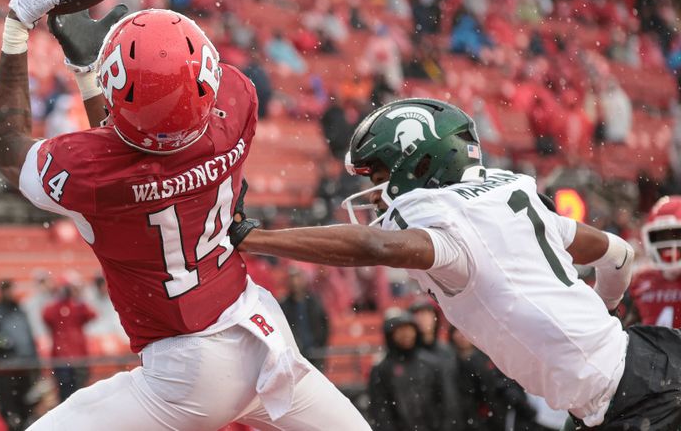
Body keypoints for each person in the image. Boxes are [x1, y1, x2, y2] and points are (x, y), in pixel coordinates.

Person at [0, 0, 369, 430]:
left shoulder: (90, 170)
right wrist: (91, 70)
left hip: (185, 376)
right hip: (263, 336)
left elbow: (14, 148)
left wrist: (19, 22)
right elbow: (150, 147)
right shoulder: (236, 104)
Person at [230, 97, 681, 429]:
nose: (377, 189)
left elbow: (377, 248)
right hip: (635, 371)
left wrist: (255, 237)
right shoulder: (504, 196)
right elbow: (618, 254)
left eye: (381, 174)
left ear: (422, 162)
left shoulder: (448, 228)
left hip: (634, 396)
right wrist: (604, 309)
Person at [367, 309, 459, 431]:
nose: (406, 334)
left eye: (409, 329)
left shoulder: (431, 364)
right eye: (400, 330)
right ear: (391, 334)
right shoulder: (381, 369)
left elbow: (448, 403)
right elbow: (380, 411)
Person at [0, 279, 39, 431]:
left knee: (26, 409)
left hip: (24, 368)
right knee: (8, 411)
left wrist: (34, 361)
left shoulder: (20, 310)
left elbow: (29, 337)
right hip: (5, 371)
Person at [42, 275, 96, 401]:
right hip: (67, 357)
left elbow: (92, 314)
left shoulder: (75, 307)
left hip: (71, 356)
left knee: (74, 392)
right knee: (70, 393)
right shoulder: (64, 308)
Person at [630, 196, 681, 327]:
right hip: (651, 347)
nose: (670, 246)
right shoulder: (639, 281)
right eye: (661, 236)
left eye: (677, 234)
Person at [279, 266, 329, 371]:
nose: (295, 282)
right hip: (296, 356)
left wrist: (318, 345)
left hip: (315, 354)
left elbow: (324, 326)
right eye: (292, 278)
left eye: (298, 277)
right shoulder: (284, 305)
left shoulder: (314, 302)